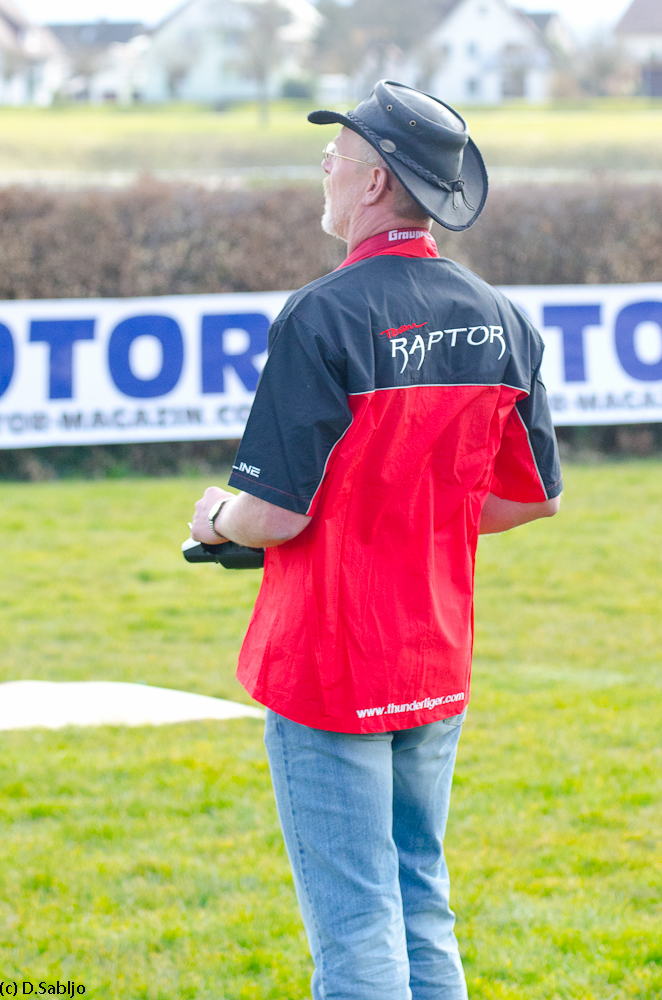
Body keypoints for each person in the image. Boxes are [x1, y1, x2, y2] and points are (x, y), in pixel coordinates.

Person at [191, 80, 562, 1000]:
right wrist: (416, 511)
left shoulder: (321, 314)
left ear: (373, 184)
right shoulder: (504, 319)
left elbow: (274, 514)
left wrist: (216, 518)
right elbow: (530, 499)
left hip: (329, 662)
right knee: (421, 904)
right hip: (436, 655)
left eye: (337, 154)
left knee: (356, 930)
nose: (325, 165)